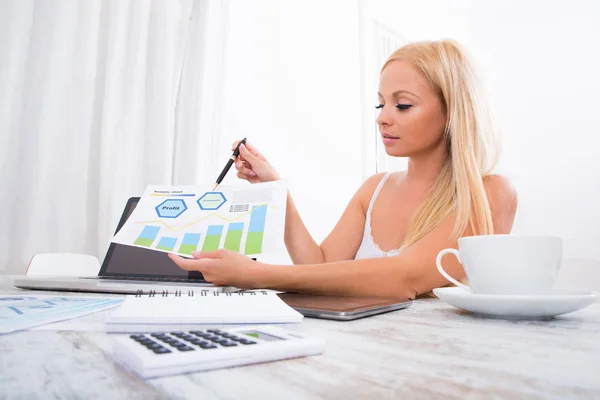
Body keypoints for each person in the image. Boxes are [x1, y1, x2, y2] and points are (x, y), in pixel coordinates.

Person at [169, 39, 518, 299]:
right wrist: (279, 193)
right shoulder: (374, 189)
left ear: (453, 110)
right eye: (381, 103)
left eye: (403, 105)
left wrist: (259, 274)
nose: (382, 117)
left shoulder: (489, 192)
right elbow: (317, 272)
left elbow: (404, 278)